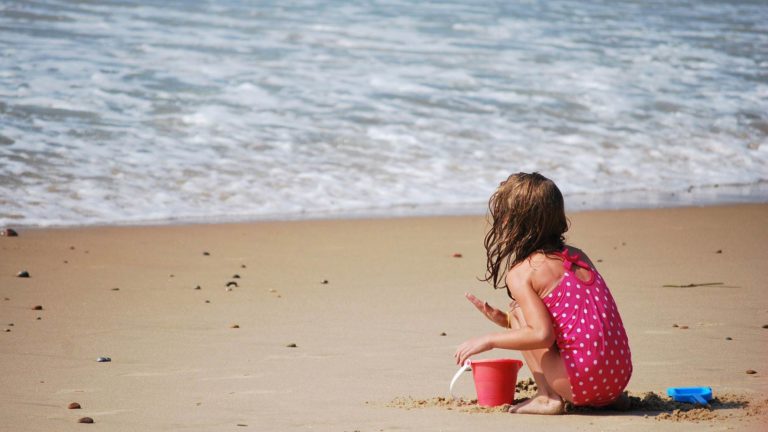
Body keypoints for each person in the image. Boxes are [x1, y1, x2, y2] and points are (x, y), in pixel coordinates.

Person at [454, 172, 632, 414]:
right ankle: (607, 398)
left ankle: (548, 397)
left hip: (580, 383)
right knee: (516, 316)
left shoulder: (522, 273)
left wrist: (489, 339)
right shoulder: (578, 256)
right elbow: (579, 320)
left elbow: (542, 335)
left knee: (518, 310)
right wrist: (507, 323)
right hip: (618, 378)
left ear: (511, 223)